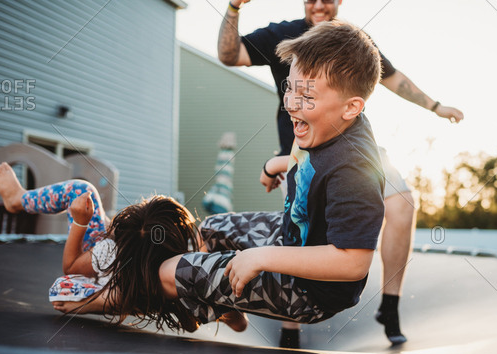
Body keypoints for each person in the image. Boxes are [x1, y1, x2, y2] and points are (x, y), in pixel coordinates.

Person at [218, 0, 464, 346]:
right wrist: (232, 8)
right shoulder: (283, 34)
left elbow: (393, 78)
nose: (319, 4)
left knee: (403, 204)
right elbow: (231, 55)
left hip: (354, 150)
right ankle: (290, 323)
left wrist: (435, 107)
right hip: (301, 147)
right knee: (302, 220)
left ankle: (390, 305)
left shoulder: (352, 43)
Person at [156, 21, 385, 333]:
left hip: (310, 291)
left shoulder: (354, 170)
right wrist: (275, 165)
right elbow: (305, 159)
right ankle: (225, 305)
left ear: (351, 108)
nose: (291, 103)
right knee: (207, 230)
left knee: (168, 273)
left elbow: (352, 263)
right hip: (291, 232)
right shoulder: (326, 122)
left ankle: (212, 299)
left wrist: (262, 257)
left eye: (307, 95)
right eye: (289, 87)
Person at [0, 162, 247, 333]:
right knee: (84, 190)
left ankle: (20, 200)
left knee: (61, 290)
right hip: (128, 262)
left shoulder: (108, 252)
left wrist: (80, 222)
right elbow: (236, 325)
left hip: (113, 280)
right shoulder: (182, 261)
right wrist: (226, 310)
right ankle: (17, 199)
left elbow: (70, 268)